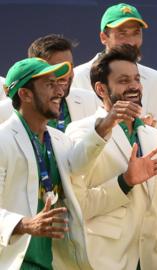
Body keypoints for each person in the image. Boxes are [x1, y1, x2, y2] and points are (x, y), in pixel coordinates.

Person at [65, 44, 157, 270]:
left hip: (150, 261)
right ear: (101, 89)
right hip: (103, 261)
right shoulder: (82, 131)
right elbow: (78, 204)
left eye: (136, 79)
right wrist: (125, 182)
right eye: (123, 81)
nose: (134, 86)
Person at [0, 58, 109, 269]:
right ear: (25, 94)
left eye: (59, 83)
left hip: (53, 264)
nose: (60, 91)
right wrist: (25, 224)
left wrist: (105, 127)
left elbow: (78, 167)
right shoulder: (2, 141)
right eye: (49, 84)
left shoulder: (59, 139)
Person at [72, 2, 157, 130]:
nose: (130, 41)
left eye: (136, 33)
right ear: (103, 37)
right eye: (122, 33)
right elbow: (75, 133)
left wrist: (146, 134)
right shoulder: (78, 76)